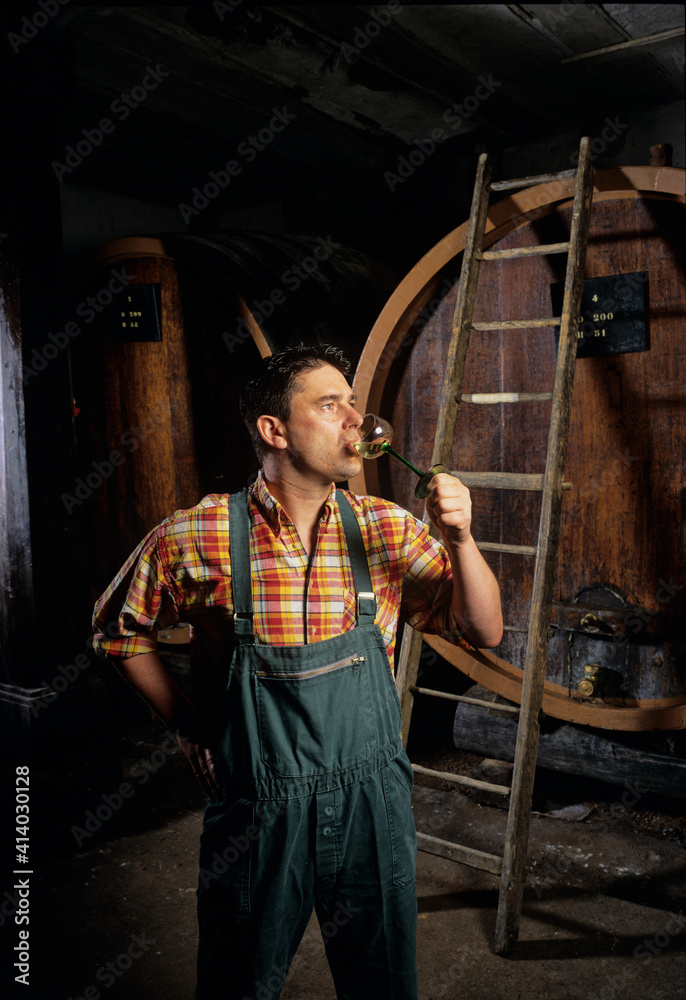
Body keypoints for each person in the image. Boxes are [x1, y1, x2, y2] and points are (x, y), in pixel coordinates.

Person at [92, 343, 502, 1000]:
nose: (355, 421)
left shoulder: (386, 530)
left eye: (354, 403)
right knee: (238, 980)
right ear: (274, 430)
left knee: (383, 981)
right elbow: (116, 630)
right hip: (257, 807)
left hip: (372, 800)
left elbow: (484, 631)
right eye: (330, 404)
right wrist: (190, 728)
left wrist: (461, 537)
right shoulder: (196, 536)